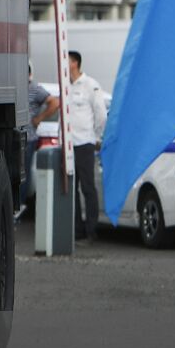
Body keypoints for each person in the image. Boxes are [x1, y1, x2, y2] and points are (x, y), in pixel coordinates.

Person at [67, 50, 108, 242]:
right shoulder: (65, 86)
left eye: (67, 61)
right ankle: (77, 229)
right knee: (71, 188)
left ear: (75, 63)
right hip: (69, 145)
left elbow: (100, 114)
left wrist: (96, 136)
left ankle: (92, 229)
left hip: (85, 143)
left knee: (88, 187)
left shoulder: (90, 85)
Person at [22, 64, 60, 218]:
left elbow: (55, 102)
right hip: (16, 136)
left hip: (28, 137)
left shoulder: (35, 88)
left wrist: (39, 118)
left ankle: (21, 205)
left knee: (23, 173)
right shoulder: (15, 88)